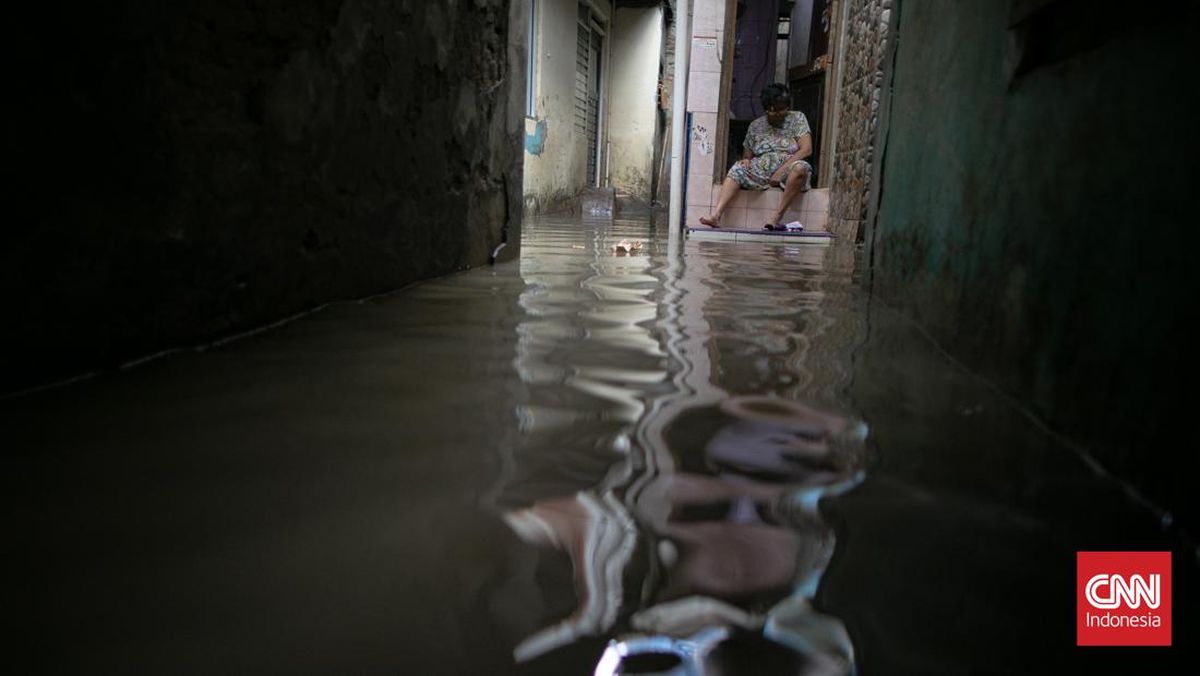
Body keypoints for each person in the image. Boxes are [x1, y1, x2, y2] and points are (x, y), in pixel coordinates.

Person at [700, 84, 813, 230]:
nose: (779, 114)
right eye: (774, 110)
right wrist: (745, 160)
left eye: (782, 109)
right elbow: (748, 155)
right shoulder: (756, 125)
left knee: (800, 168)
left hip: (789, 166)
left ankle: (776, 217)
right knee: (738, 168)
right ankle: (716, 216)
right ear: (767, 109)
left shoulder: (797, 118)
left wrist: (780, 171)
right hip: (762, 169)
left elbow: (806, 149)